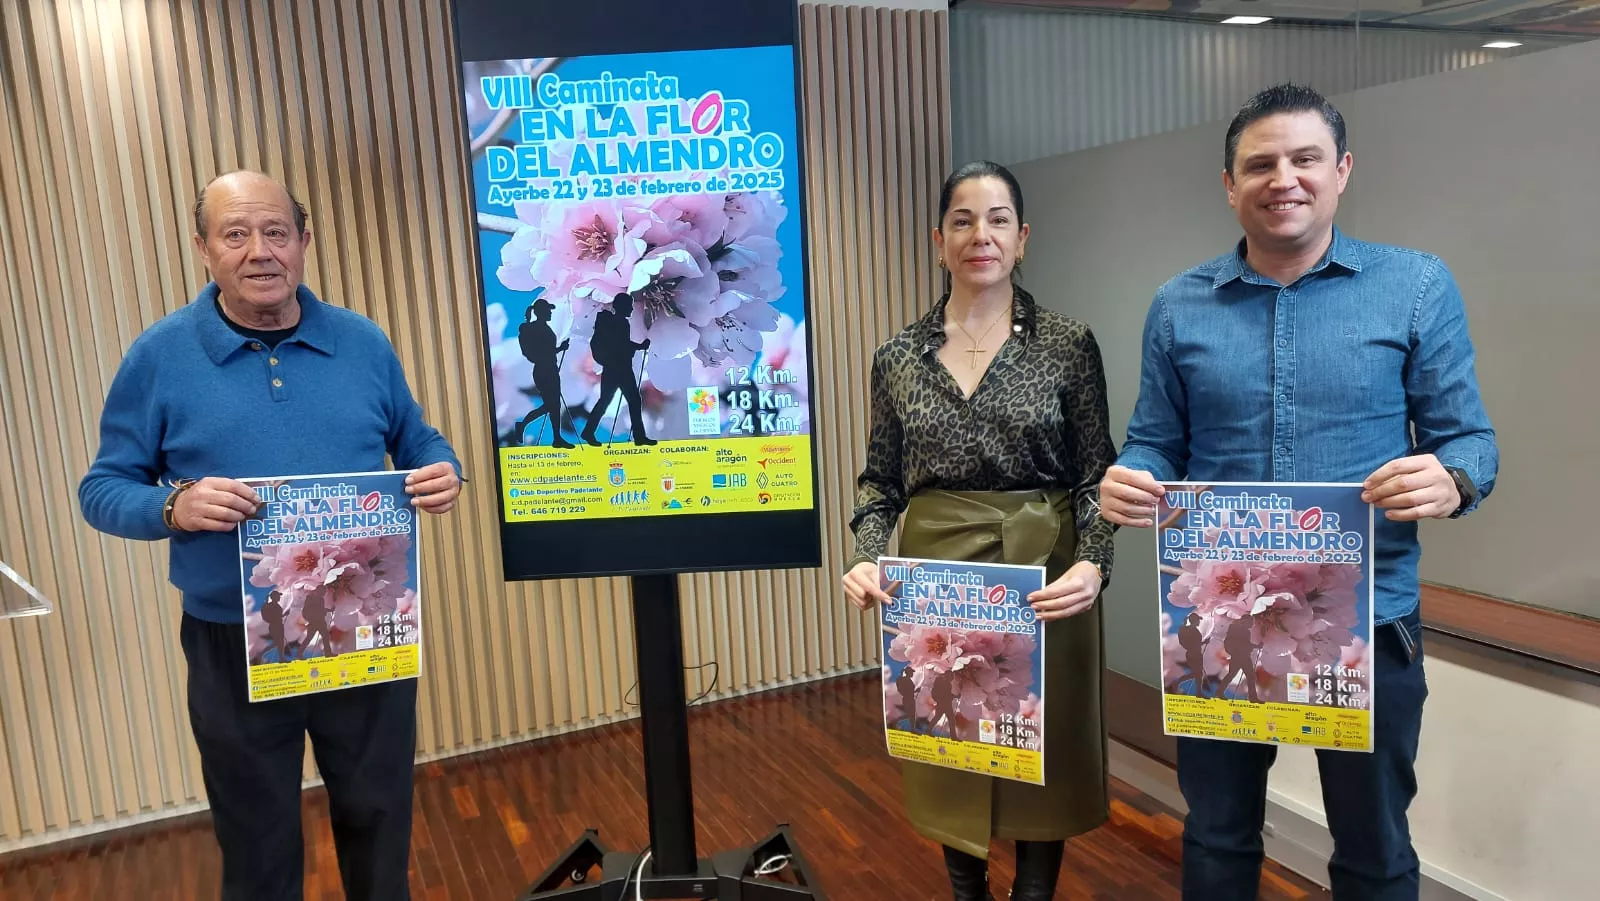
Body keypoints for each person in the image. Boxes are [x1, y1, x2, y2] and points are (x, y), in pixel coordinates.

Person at [1098, 84, 1497, 901]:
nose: (1284, 178)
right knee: (1215, 836)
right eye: (1261, 164)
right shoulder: (1179, 307)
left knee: (1374, 848)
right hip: (1217, 621)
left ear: (1341, 171)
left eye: (1305, 159)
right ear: (1229, 183)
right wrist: (1132, 472)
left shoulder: (1415, 286)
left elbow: (1471, 440)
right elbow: (1154, 438)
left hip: (1368, 620)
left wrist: (1452, 478)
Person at [77, 169, 463, 901]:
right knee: (256, 843)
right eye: (235, 233)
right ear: (202, 249)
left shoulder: (362, 342)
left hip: (364, 629)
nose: (260, 251)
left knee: (380, 822)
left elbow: (419, 438)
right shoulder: (159, 356)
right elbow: (102, 489)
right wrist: (172, 507)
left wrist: (443, 468)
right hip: (236, 635)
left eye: (277, 232)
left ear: (304, 242)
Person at [841, 161, 1119, 901]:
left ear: (1022, 237)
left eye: (997, 219)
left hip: (1046, 568)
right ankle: (967, 890)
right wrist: (867, 556)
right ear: (939, 241)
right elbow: (880, 481)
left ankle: (1033, 893)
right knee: (951, 736)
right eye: (962, 220)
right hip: (937, 575)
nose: (980, 235)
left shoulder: (1067, 344)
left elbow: (1097, 475)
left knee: (1044, 741)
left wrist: (1093, 564)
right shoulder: (897, 358)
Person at [581, 291, 655, 447]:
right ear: (622, 307)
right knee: (623, 401)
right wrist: (640, 346)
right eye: (629, 306)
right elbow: (620, 345)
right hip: (618, 369)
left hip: (616, 368)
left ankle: (638, 436)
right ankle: (638, 437)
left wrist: (636, 347)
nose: (632, 309)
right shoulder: (618, 323)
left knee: (615, 401)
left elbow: (621, 345)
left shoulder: (620, 322)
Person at [515, 297, 573, 447]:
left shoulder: (544, 327)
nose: (551, 313)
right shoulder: (534, 328)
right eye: (548, 310)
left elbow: (546, 350)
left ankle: (557, 438)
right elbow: (540, 351)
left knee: (553, 405)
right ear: (541, 312)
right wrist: (560, 349)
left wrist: (559, 349)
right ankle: (523, 426)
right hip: (543, 370)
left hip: (550, 368)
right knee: (551, 405)